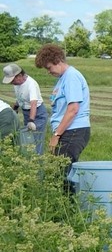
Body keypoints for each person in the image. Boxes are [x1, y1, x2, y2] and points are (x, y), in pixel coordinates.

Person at [34, 44, 91, 191]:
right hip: (67, 130)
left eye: (49, 68)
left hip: (74, 130)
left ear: (58, 60)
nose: (48, 72)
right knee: (60, 172)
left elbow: (73, 109)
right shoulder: (63, 78)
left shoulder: (71, 77)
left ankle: (68, 210)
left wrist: (56, 134)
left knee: (61, 174)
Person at [2, 63, 48, 154]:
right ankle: (29, 161)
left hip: (37, 113)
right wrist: (15, 109)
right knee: (28, 139)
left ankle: (38, 163)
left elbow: (33, 103)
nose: (12, 83)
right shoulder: (17, 84)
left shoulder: (31, 84)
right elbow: (19, 98)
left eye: (12, 80)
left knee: (36, 140)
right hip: (26, 112)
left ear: (19, 76)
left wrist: (31, 120)